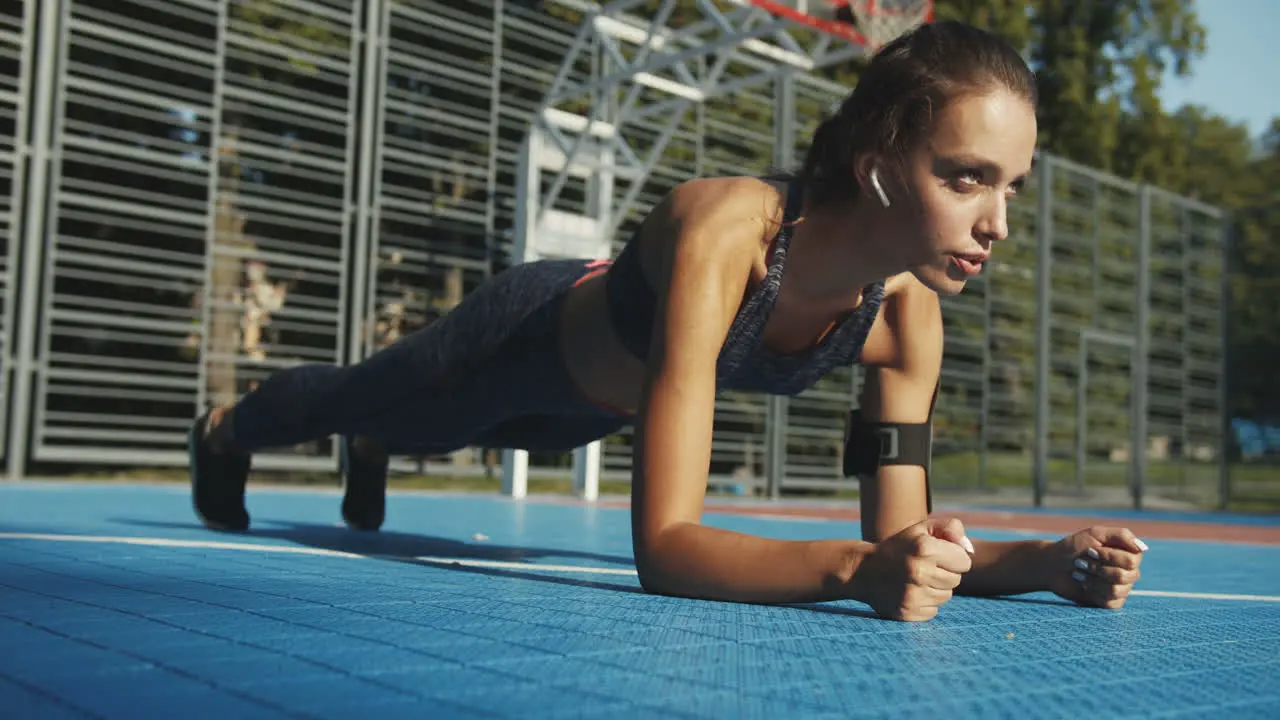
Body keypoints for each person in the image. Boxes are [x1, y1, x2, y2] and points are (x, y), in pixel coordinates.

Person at [188, 20, 1147, 622]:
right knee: (383, 401)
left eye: (1011, 186)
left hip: (591, 412)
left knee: (436, 438)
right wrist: (856, 572)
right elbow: (669, 547)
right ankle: (230, 432)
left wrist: (1048, 562)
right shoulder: (725, 232)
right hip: (515, 344)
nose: (999, 223)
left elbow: (904, 536)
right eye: (968, 176)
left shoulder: (905, 319)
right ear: (879, 162)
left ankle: (379, 445)